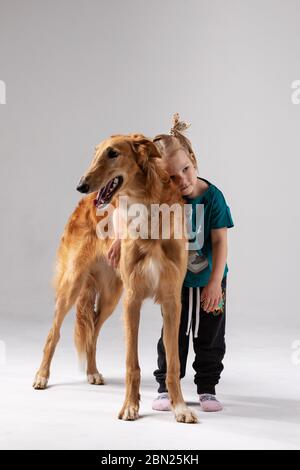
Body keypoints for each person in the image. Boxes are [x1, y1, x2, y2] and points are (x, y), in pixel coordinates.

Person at [107, 113, 234, 412]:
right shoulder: (163, 199)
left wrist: (216, 281)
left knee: (210, 334)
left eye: (186, 170)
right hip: (174, 279)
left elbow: (220, 241)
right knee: (172, 332)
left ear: (193, 159)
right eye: (172, 178)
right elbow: (124, 210)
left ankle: (207, 387)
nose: (182, 181)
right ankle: (166, 384)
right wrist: (118, 238)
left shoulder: (212, 197)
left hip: (209, 280)